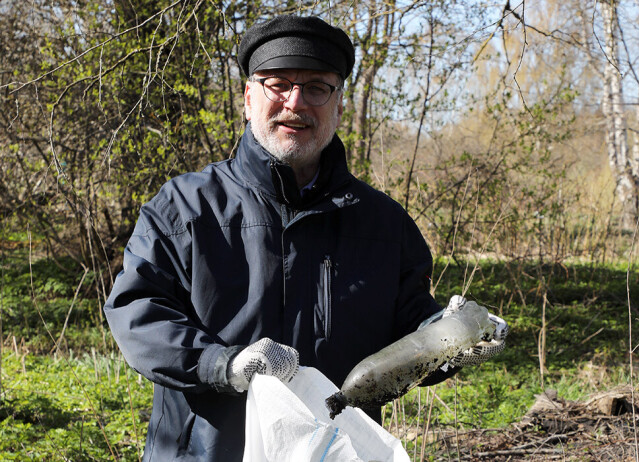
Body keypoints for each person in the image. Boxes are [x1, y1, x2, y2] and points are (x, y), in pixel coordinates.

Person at [104, 15, 507, 461]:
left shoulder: (383, 224)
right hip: (205, 452)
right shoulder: (184, 208)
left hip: (335, 451)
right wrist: (224, 365)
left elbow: (409, 330)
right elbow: (137, 311)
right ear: (247, 98)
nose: (295, 103)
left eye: (317, 87)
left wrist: (451, 339)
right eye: (277, 84)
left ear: (338, 106)